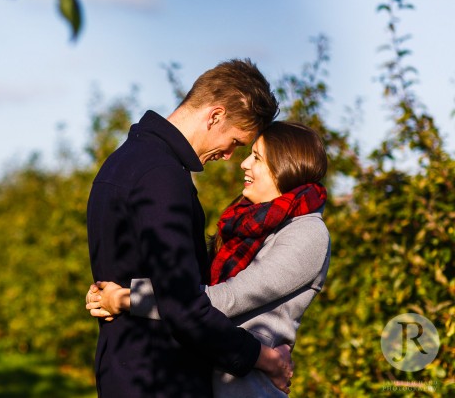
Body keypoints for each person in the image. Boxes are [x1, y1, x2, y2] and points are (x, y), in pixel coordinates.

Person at [86, 59, 291, 398]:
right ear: (215, 116)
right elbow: (182, 306)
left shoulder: (124, 161)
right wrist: (263, 357)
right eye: (237, 142)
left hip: (123, 368)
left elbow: (136, 274)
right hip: (160, 377)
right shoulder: (161, 177)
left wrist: (118, 296)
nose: (229, 156)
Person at [88, 121, 331, 397]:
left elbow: (225, 299)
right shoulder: (246, 225)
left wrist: (125, 298)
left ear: (287, 165)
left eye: (257, 157)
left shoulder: (307, 233)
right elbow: (190, 284)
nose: (244, 164)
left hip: (249, 388)